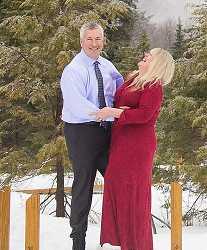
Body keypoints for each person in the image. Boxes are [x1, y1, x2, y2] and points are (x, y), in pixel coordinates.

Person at [92, 48, 175, 250]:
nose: (144, 57)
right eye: (145, 55)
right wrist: (122, 111)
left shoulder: (154, 85)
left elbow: (145, 115)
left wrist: (116, 112)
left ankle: (137, 245)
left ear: (157, 65)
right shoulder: (134, 78)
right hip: (121, 141)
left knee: (134, 195)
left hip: (137, 146)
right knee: (117, 186)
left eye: (149, 57)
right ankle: (120, 242)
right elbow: (125, 105)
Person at [60, 21, 123, 250]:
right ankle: (78, 240)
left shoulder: (107, 66)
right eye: (90, 39)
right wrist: (109, 115)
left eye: (98, 39)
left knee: (119, 179)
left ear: (103, 41)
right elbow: (77, 105)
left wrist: (124, 110)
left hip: (106, 133)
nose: (94, 44)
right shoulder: (73, 70)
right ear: (81, 41)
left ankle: (123, 235)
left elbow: (120, 89)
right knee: (83, 185)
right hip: (82, 132)